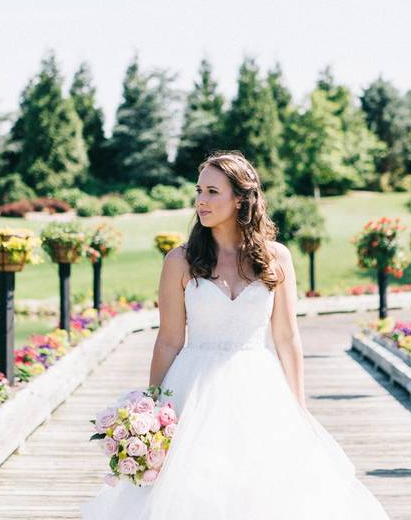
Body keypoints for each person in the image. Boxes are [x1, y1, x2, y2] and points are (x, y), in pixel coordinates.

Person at [81, 150, 389, 519]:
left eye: (212, 192)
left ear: (241, 198)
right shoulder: (179, 260)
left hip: (259, 388)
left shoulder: (277, 258)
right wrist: (152, 404)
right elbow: (168, 340)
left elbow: (288, 337)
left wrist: (299, 406)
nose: (201, 201)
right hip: (192, 389)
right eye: (199, 190)